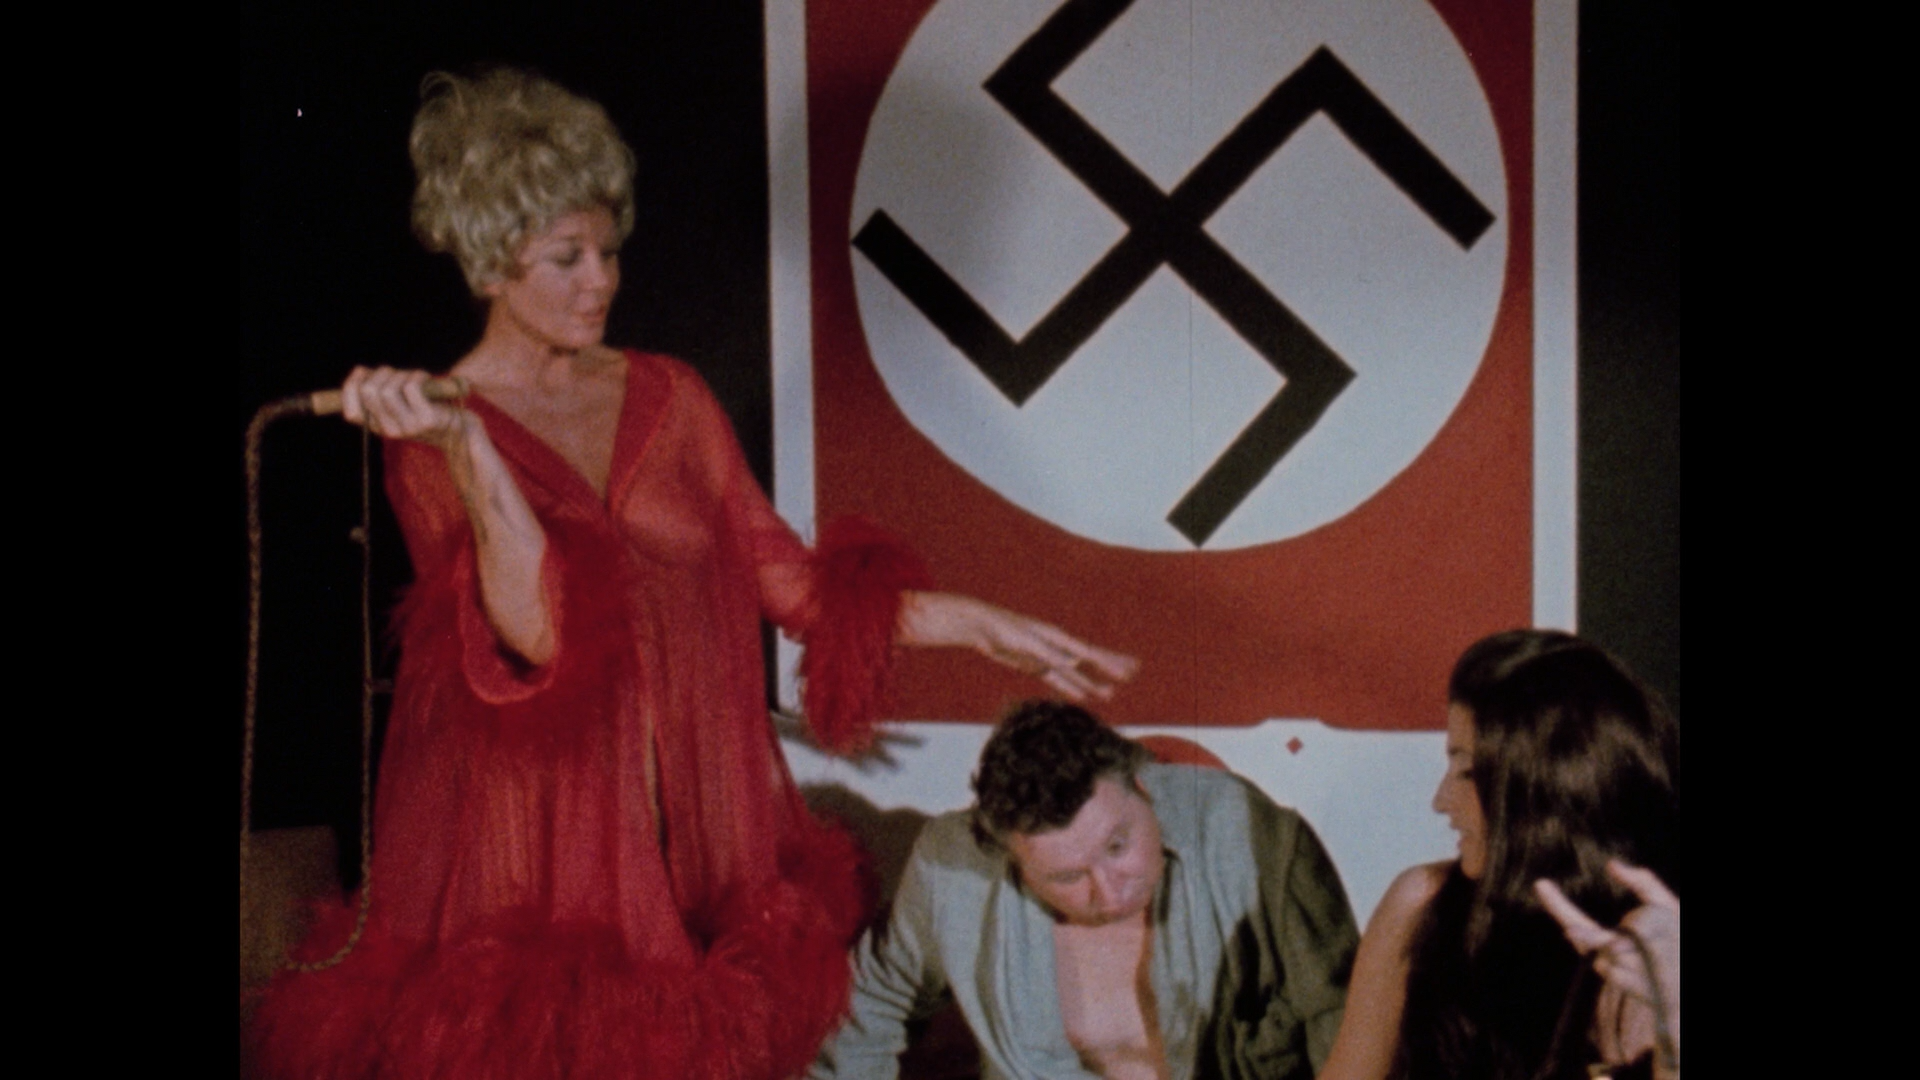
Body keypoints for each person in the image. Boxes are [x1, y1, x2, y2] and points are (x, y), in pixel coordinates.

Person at [248, 67, 1136, 1080]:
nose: (601, 281)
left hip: (695, 857)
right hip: (535, 876)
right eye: (566, 258)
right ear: (492, 265)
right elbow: (537, 640)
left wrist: (978, 623)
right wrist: (470, 447)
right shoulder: (429, 439)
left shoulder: (672, 397)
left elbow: (794, 588)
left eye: (609, 251)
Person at [810, 700, 1360, 1080]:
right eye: (1067, 877)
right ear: (1011, 857)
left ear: (1142, 786)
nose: (1109, 891)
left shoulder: (1249, 835)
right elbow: (871, 1002)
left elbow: (1349, 1023)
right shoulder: (953, 870)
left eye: (1118, 846)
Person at [1317, 629, 1680, 1080]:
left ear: (1546, 785)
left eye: (1468, 771)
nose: (1441, 800)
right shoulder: (1421, 905)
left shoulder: (1660, 942)